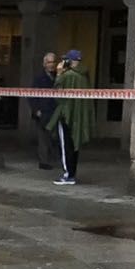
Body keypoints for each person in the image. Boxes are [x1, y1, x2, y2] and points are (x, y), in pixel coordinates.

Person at [52, 50, 91, 185]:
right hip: (78, 115)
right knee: (74, 146)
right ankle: (72, 173)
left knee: (65, 145)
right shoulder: (84, 75)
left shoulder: (67, 75)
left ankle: (67, 174)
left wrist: (58, 73)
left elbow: (57, 93)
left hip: (66, 115)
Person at [28, 52, 61, 169]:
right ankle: (44, 161)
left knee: (55, 136)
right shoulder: (39, 78)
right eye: (49, 62)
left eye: (53, 62)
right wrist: (36, 110)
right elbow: (31, 95)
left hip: (55, 111)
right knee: (43, 138)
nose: (51, 65)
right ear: (44, 64)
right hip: (42, 111)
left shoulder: (58, 76)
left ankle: (55, 158)